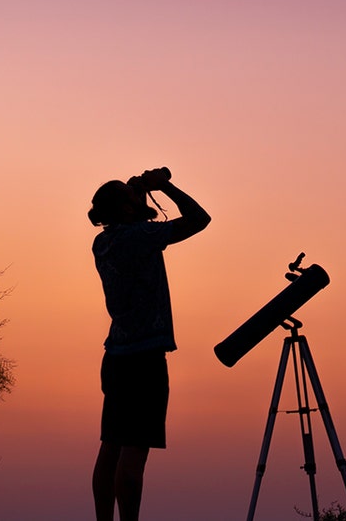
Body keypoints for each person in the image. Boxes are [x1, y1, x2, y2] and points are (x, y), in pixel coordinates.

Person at [87, 167, 211, 521]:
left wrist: (136, 196)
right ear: (126, 210)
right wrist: (165, 186)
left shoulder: (103, 242)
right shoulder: (141, 236)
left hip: (116, 357)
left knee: (109, 448)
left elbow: (132, 222)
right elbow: (200, 219)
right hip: (146, 359)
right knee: (133, 454)